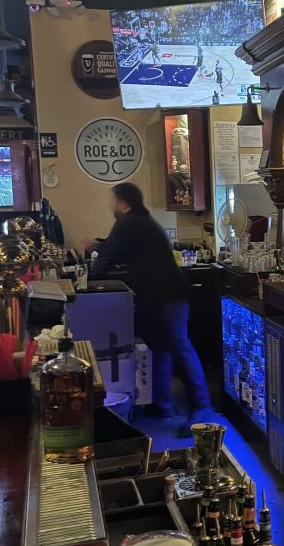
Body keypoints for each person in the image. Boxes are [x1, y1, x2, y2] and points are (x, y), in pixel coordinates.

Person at [86, 182, 211, 429]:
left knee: (178, 346)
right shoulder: (140, 220)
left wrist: (93, 262)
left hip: (167, 295)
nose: (110, 205)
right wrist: (99, 246)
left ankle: (202, 405)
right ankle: (162, 405)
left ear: (123, 202)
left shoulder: (129, 222)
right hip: (162, 293)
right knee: (160, 348)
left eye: (112, 200)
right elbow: (114, 246)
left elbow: (108, 255)